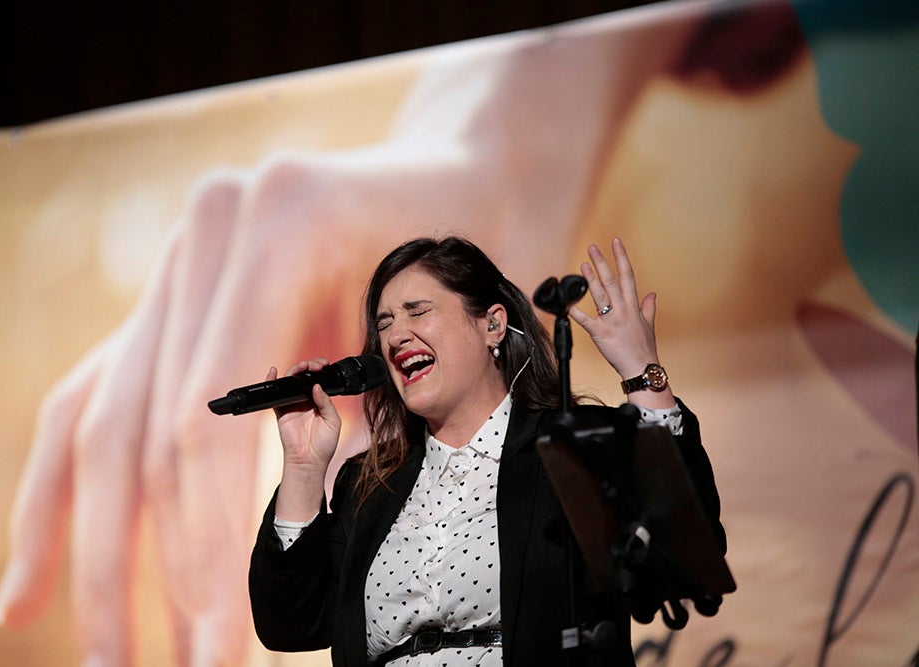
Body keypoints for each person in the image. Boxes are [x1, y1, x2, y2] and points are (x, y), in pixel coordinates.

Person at [248, 236, 725, 666]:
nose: (395, 336)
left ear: (493, 324)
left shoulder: (568, 449)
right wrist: (304, 465)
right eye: (386, 323)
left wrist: (645, 377)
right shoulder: (369, 482)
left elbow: (682, 558)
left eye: (418, 311)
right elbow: (289, 624)